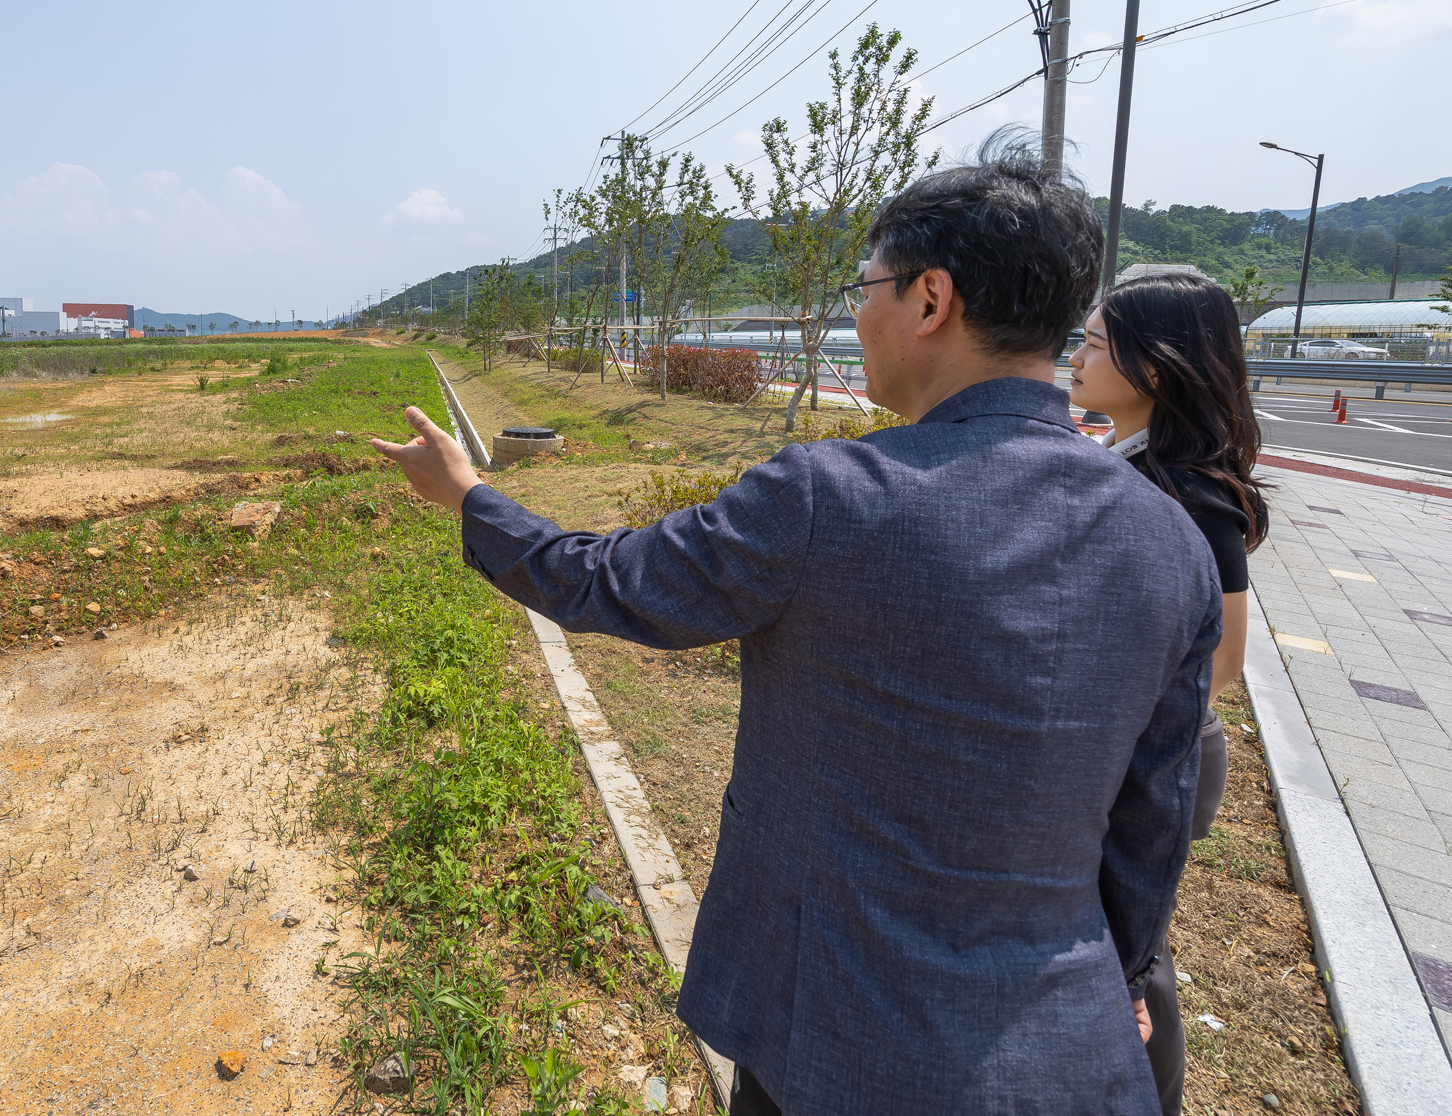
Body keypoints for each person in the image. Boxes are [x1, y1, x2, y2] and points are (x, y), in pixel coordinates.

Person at [373, 135, 1221, 1115]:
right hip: (1060, 1056)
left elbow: (615, 582)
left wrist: (469, 498)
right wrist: (1115, 982)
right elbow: (1151, 825)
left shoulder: (831, 496)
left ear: (929, 300)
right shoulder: (1168, 542)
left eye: (865, 284)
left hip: (831, 1035)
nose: (855, 313)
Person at [1068, 271, 1270, 1116]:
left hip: (1158, 748)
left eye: (1093, 342)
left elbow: (1220, 659)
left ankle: (1149, 1093)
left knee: (1132, 947)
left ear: (1155, 368)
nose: (1074, 357)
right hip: (1139, 742)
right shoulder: (1138, 459)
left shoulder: (1184, 489)